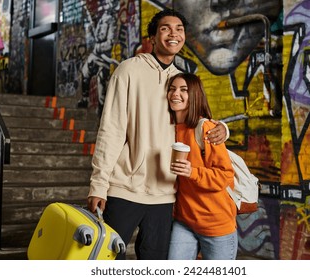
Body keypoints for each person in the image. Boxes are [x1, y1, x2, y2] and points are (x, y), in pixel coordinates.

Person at [87, 9, 229, 260]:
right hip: (124, 188)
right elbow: (112, 129)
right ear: (152, 37)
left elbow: (198, 121)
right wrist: (99, 184)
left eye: (179, 29)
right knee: (105, 261)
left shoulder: (181, 81)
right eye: (165, 28)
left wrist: (223, 129)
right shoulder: (128, 70)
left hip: (164, 196)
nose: (173, 34)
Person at [167, 73, 238, 260]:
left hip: (216, 224)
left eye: (183, 90)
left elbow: (225, 176)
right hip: (184, 221)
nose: (175, 94)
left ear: (195, 95)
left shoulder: (206, 128)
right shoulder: (168, 128)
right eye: (172, 89)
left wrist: (192, 172)